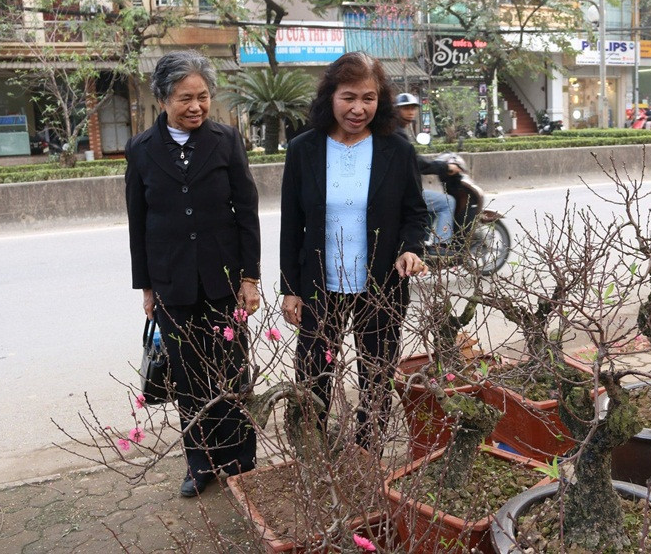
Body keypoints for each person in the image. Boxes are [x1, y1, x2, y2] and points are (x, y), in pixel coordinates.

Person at [125, 50, 260, 497]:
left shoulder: (225, 141)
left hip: (223, 279)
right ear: (164, 98)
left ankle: (240, 458)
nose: (196, 106)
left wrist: (250, 277)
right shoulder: (142, 150)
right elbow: (138, 222)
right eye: (186, 98)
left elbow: (246, 211)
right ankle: (199, 464)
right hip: (171, 282)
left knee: (232, 371)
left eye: (203, 97)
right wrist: (146, 287)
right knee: (187, 378)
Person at [279, 53, 429, 452]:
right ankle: (313, 449)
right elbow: (291, 224)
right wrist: (290, 287)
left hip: (380, 284)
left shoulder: (395, 150)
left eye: (369, 98)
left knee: (376, 375)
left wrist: (411, 249)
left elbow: (415, 213)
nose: (358, 108)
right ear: (330, 96)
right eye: (348, 97)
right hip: (318, 284)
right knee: (312, 373)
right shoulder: (303, 149)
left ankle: (367, 451)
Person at [394, 92, 460, 252]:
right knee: (447, 202)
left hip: (399, 189)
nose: (410, 112)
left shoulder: (397, 130)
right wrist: (443, 167)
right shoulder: (397, 133)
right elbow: (415, 161)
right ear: (396, 110)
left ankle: (423, 241)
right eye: (405, 108)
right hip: (401, 192)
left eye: (413, 108)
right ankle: (441, 244)